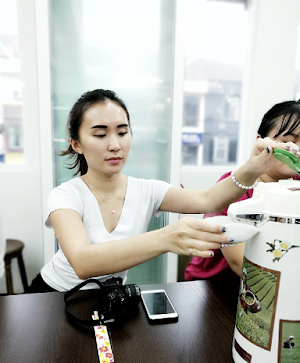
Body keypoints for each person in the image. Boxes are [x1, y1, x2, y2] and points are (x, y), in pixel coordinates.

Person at [25, 90, 298, 293]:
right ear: (76, 144)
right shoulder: (64, 195)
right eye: (100, 134)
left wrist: (252, 167)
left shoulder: (147, 190)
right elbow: (83, 262)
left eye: (122, 132)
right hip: (52, 294)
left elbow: (209, 198)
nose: (115, 145)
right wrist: (167, 237)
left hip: (109, 295)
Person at [185, 100, 300, 282]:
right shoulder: (235, 188)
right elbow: (241, 264)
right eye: (288, 142)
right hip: (215, 286)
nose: (296, 150)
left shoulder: (296, 185)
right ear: (261, 143)